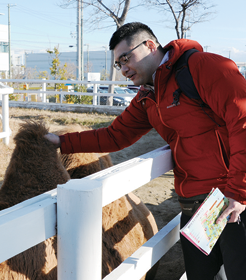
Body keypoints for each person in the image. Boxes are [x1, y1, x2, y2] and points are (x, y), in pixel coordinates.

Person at [45, 22, 246, 280]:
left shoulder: (204, 67)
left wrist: (239, 191)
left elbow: (242, 121)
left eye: (126, 58)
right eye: (119, 64)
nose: (123, 69)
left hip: (232, 203)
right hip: (197, 208)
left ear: (150, 45)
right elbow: (115, 135)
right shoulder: (147, 97)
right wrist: (61, 142)